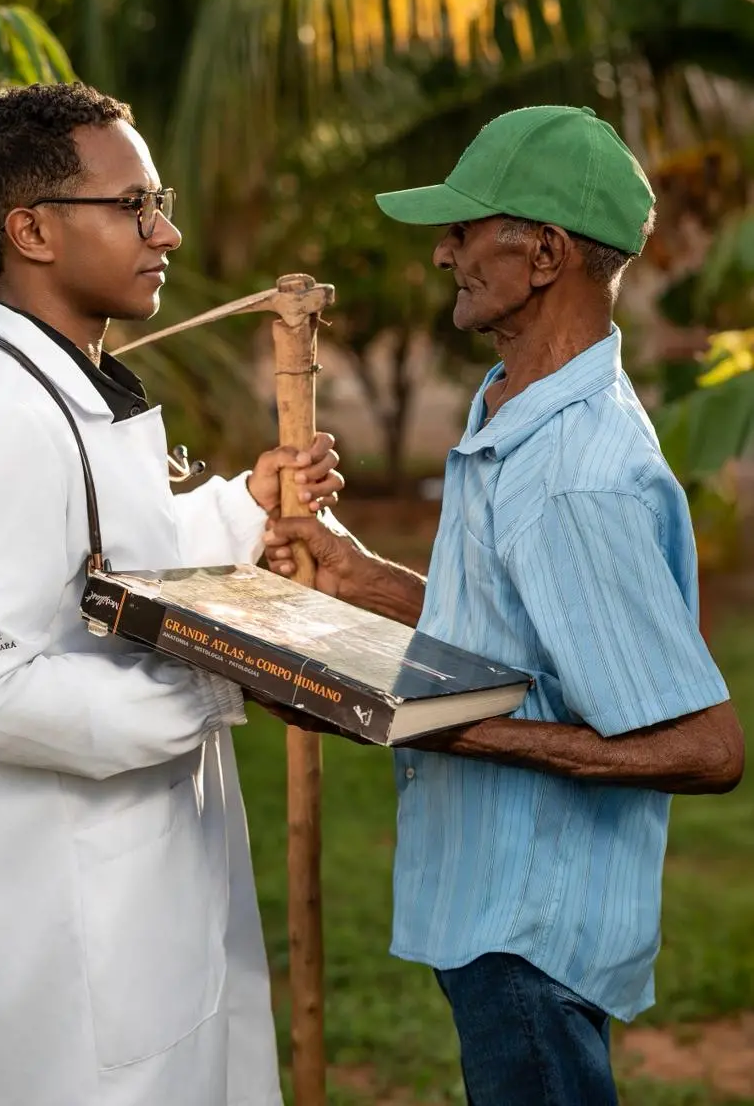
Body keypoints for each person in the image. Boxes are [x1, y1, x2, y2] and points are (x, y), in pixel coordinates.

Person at [262, 104, 745, 1106]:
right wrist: (362, 577)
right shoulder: (511, 410)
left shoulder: (573, 474)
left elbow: (706, 745)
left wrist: (459, 731)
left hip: (531, 938)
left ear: (546, 253)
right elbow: (532, 619)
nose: (442, 252)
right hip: (489, 907)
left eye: (464, 228)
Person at [0, 82, 345, 1106]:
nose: (167, 230)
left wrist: (244, 505)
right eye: (133, 206)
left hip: (145, 896)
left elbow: (105, 570)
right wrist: (222, 684)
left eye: (160, 199)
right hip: (73, 945)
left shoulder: (75, 389)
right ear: (33, 230)